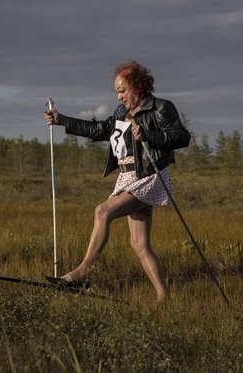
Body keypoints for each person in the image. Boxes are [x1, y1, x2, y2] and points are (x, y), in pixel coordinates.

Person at [43, 60, 190, 302]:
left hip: (148, 176)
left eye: (122, 90)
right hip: (126, 176)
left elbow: (182, 137)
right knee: (139, 245)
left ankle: (82, 273)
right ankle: (164, 298)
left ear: (137, 86)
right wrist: (62, 120)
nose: (119, 96)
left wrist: (149, 135)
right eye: (117, 92)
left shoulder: (161, 107)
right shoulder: (122, 112)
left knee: (102, 212)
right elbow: (100, 130)